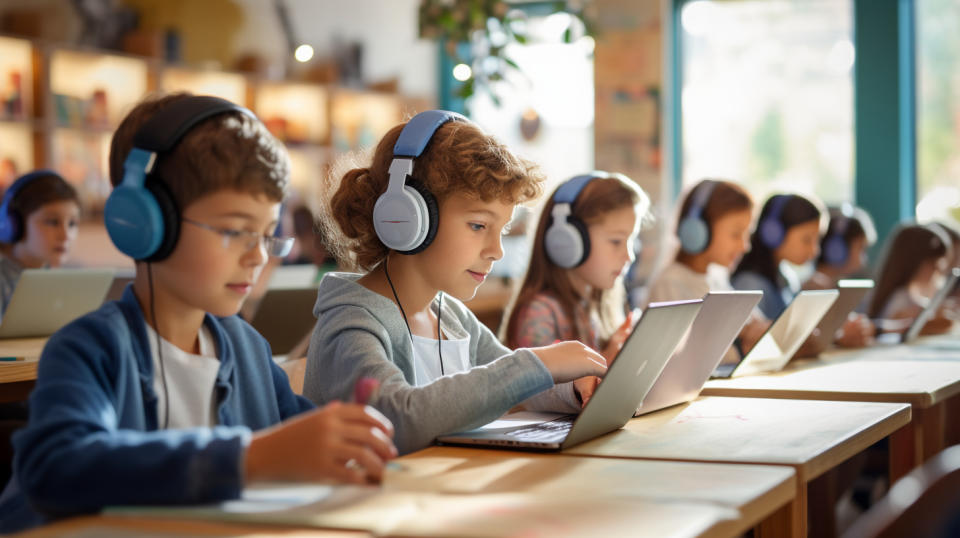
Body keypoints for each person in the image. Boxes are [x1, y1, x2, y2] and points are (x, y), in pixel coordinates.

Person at [0, 93, 396, 533]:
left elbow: (300, 437)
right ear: (145, 224)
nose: (258, 256)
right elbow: (55, 469)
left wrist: (351, 440)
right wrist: (250, 458)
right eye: (235, 231)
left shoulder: (246, 348)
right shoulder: (91, 349)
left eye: (267, 234)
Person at [302, 110, 608, 455]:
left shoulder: (451, 317)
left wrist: (572, 389)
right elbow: (396, 420)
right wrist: (538, 364)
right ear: (406, 218)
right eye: (479, 225)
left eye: (502, 230)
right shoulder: (352, 322)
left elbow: (515, 386)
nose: (496, 251)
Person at [502, 171, 648, 370]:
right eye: (616, 241)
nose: (629, 256)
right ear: (566, 241)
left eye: (631, 241)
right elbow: (547, 396)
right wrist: (609, 359)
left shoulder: (597, 306)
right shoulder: (539, 314)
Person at [646, 179, 768, 358]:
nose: (745, 246)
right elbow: (686, 358)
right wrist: (742, 345)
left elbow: (760, 327)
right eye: (735, 234)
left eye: (747, 234)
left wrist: (756, 333)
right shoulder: (671, 284)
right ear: (697, 230)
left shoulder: (717, 278)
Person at [0, 170, 80, 320]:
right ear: (14, 224)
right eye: (52, 222)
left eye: (72, 224)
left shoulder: (64, 282)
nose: (65, 236)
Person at [732, 193, 824, 319]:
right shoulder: (750, 285)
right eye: (806, 240)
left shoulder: (787, 277)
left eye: (817, 240)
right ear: (773, 233)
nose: (815, 251)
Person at [867, 223, 954, 335]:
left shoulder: (914, 298)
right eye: (933, 264)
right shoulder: (899, 300)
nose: (938, 269)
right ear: (913, 262)